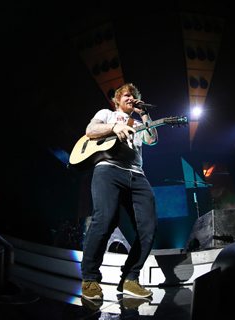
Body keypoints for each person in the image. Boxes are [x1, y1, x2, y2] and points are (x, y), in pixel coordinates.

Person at [80, 83, 158, 302]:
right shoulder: (106, 113)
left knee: (148, 228)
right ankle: (90, 278)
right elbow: (90, 131)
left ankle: (130, 279)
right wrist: (114, 127)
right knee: (105, 219)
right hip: (108, 169)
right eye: (127, 95)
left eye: (134, 97)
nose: (131, 98)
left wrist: (144, 115)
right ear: (117, 99)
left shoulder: (138, 121)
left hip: (137, 175)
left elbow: (152, 140)